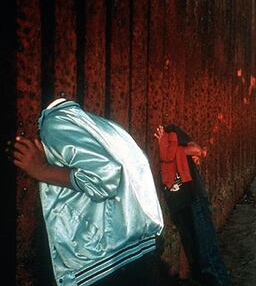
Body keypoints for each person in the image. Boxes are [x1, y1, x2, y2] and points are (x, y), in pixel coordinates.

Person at [13, 98, 164, 286]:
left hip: (101, 263)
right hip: (138, 251)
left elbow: (106, 177)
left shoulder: (54, 123)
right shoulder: (109, 128)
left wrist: (41, 169)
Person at [154, 124, 232, 286]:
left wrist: (169, 147)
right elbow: (197, 151)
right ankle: (188, 273)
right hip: (182, 203)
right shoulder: (169, 143)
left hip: (188, 201)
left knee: (206, 253)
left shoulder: (173, 139)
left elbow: (197, 150)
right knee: (198, 251)